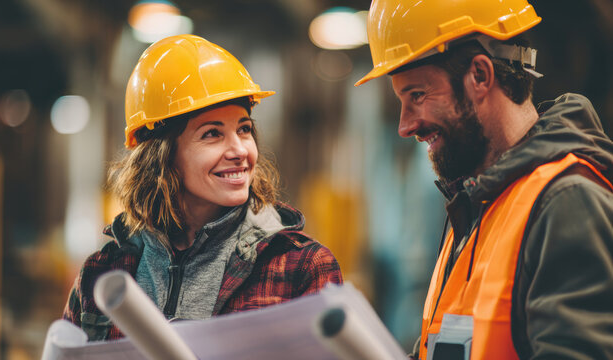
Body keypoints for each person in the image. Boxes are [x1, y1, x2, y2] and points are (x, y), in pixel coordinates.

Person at [356, 0, 613, 358]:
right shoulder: (476, 205)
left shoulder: (566, 202)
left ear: (480, 76)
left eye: (417, 95)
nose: (405, 125)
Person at [62, 34, 343, 341]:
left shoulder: (300, 268)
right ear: (161, 155)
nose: (239, 150)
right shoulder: (101, 276)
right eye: (212, 134)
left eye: (244, 129)